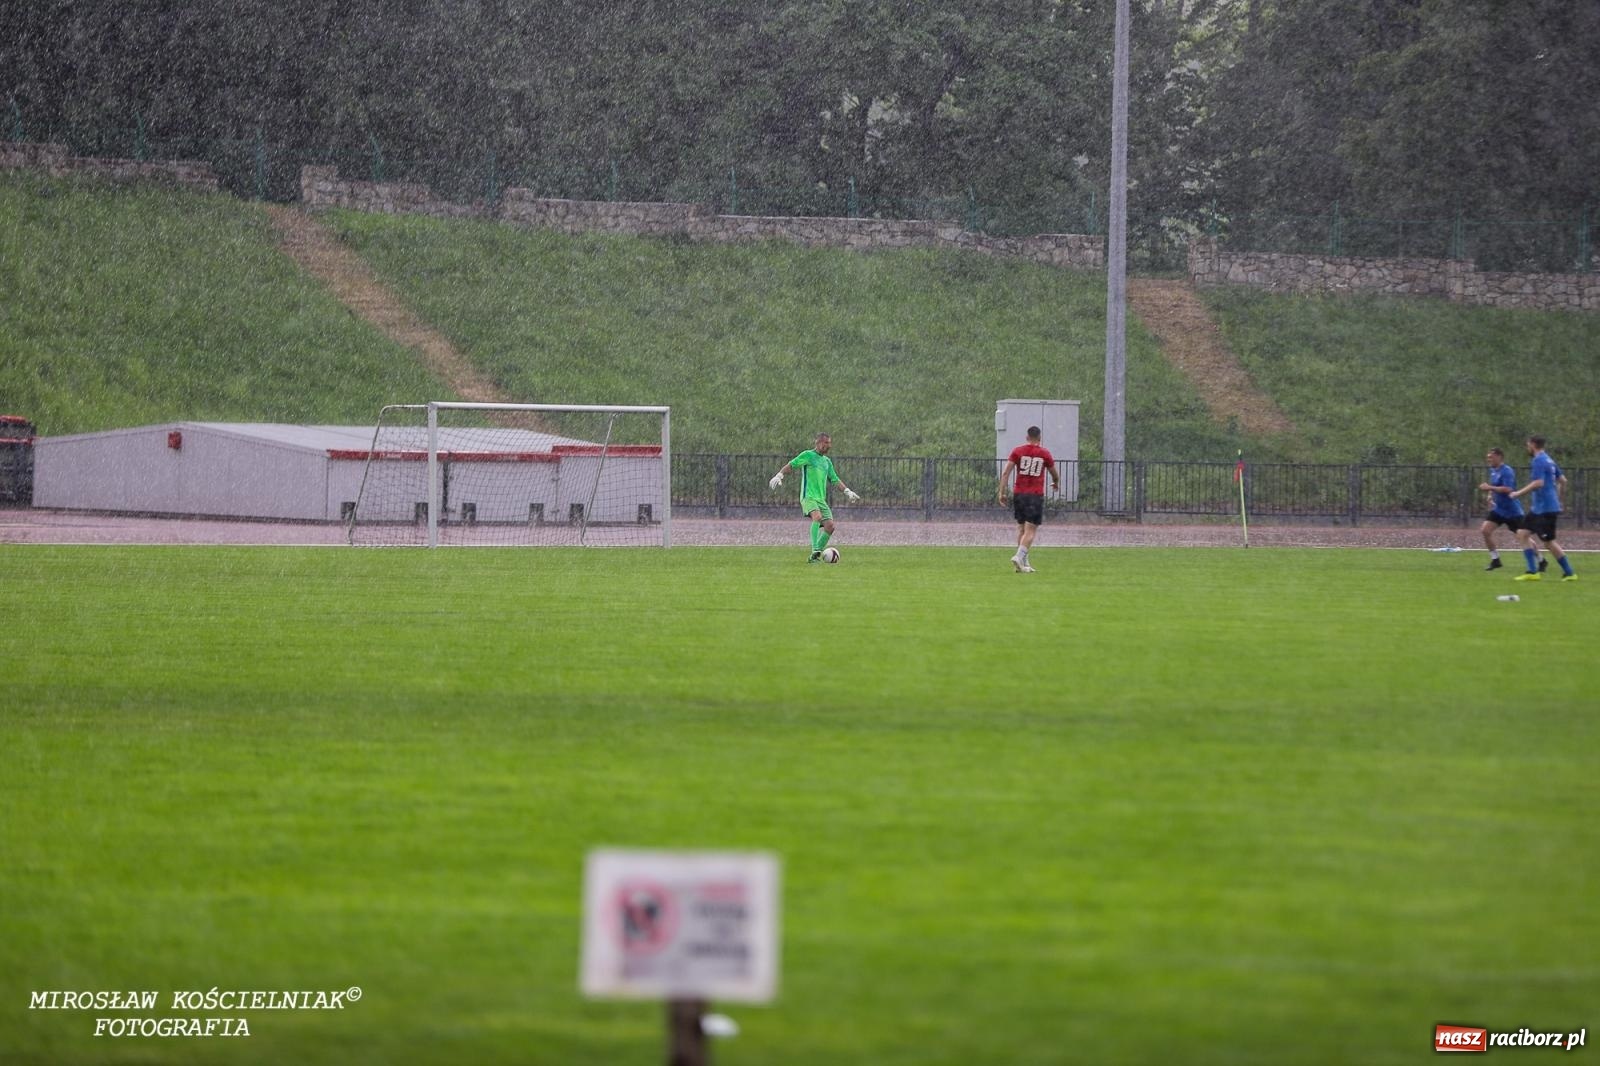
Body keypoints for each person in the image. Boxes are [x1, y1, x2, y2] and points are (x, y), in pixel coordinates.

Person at [769, 433, 860, 562]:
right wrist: (779, 475)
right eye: (826, 443)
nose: (829, 446)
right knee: (817, 517)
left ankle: (814, 558)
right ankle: (815, 549)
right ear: (818, 443)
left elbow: (834, 479)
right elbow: (792, 464)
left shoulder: (827, 461)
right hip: (808, 496)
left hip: (820, 499)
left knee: (830, 526)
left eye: (830, 443)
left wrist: (847, 491)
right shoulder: (808, 455)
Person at [1508, 435, 1576, 582]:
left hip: (1545, 509)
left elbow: (1538, 483)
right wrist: (1559, 499)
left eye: (1528, 445)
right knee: (1522, 533)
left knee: (1548, 542)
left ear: (1533, 444)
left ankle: (1570, 573)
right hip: (1540, 508)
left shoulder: (1538, 460)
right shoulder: (1549, 460)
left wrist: (1517, 493)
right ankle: (1532, 572)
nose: (1527, 448)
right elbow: (1563, 481)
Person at [997, 425, 1060, 573]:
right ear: (1039, 438)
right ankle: (1019, 557)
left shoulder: (1018, 451)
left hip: (1019, 494)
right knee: (1031, 531)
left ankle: (1023, 564)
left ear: (1027, 437)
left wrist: (1001, 492)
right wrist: (1056, 482)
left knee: (1021, 528)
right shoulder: (1044, 454)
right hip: (1034, 495)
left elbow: (1006, 472)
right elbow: (1054, 473)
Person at [1477, 447, 1531, 572]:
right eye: (1488, 457)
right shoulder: (1493, 470)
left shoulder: (1507, 471)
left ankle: (1540, 559)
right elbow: (1494, 486)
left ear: (1499, 457)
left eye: (1491, 457)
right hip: (1499, 510)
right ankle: (1495, 560)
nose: (1488, 459)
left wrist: (1489, 487)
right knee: (1485, 530)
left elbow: (1508, 489)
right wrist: (1490, 495)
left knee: (1522, 536)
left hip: (1512, 511)